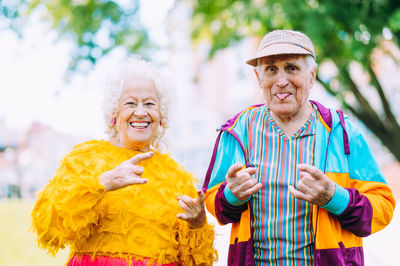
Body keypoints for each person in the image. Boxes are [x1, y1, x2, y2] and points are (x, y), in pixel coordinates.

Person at [202, 29, 396, 266]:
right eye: (271, 69)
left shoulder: (342, 131)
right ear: (258, 78)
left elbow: (383, 207)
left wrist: (334, 197)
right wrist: (231, 196)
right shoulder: (237, 131)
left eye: (292, 68)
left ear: (312, 75)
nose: (281, 81)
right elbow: (212, 202)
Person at [31, 57, 217, 266]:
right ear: (113, 115)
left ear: (160, 116)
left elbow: (198, 262)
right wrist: (101, 184)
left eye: (149, 103)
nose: (140, 112)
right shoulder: (85, 159)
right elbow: (48, 229)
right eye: (130, 103)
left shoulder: (177, 178)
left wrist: (197, 223)